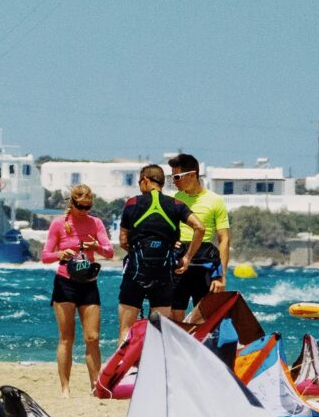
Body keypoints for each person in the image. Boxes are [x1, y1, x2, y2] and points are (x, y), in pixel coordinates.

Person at [42, 184, 115, 394]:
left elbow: (109, 252)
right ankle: (65, 387)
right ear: (72, 203)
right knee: (67, 338)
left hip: (88, 283)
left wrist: (96, 247)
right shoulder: (59, 224)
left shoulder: (96, 223)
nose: (84, 211)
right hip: (65, 283)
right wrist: (60, 254)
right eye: (80, 206)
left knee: (92, 337)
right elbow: (45, 256)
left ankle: (96, 385)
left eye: (88, 206)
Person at [117, 163, 205, 335]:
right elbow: (200, 227)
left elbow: (122, 240)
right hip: (164, 274)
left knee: (126, 329)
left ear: (145, 181)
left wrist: (136, 254)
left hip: (136, 273)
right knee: (158, 332)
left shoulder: (132, 203)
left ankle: (124, 362)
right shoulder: (176, 204)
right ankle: (155, 361)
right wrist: (187, 258)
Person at [168, 154, 233, 323]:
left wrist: (221, 276)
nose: (173, 181)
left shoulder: (215, 201)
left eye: (176, 177)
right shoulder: (174, 199)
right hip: (180, 259)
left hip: (204, 261)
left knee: (204, 317)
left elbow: (224, 239)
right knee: (175, 315)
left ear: (192, 175)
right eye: (171, 177)